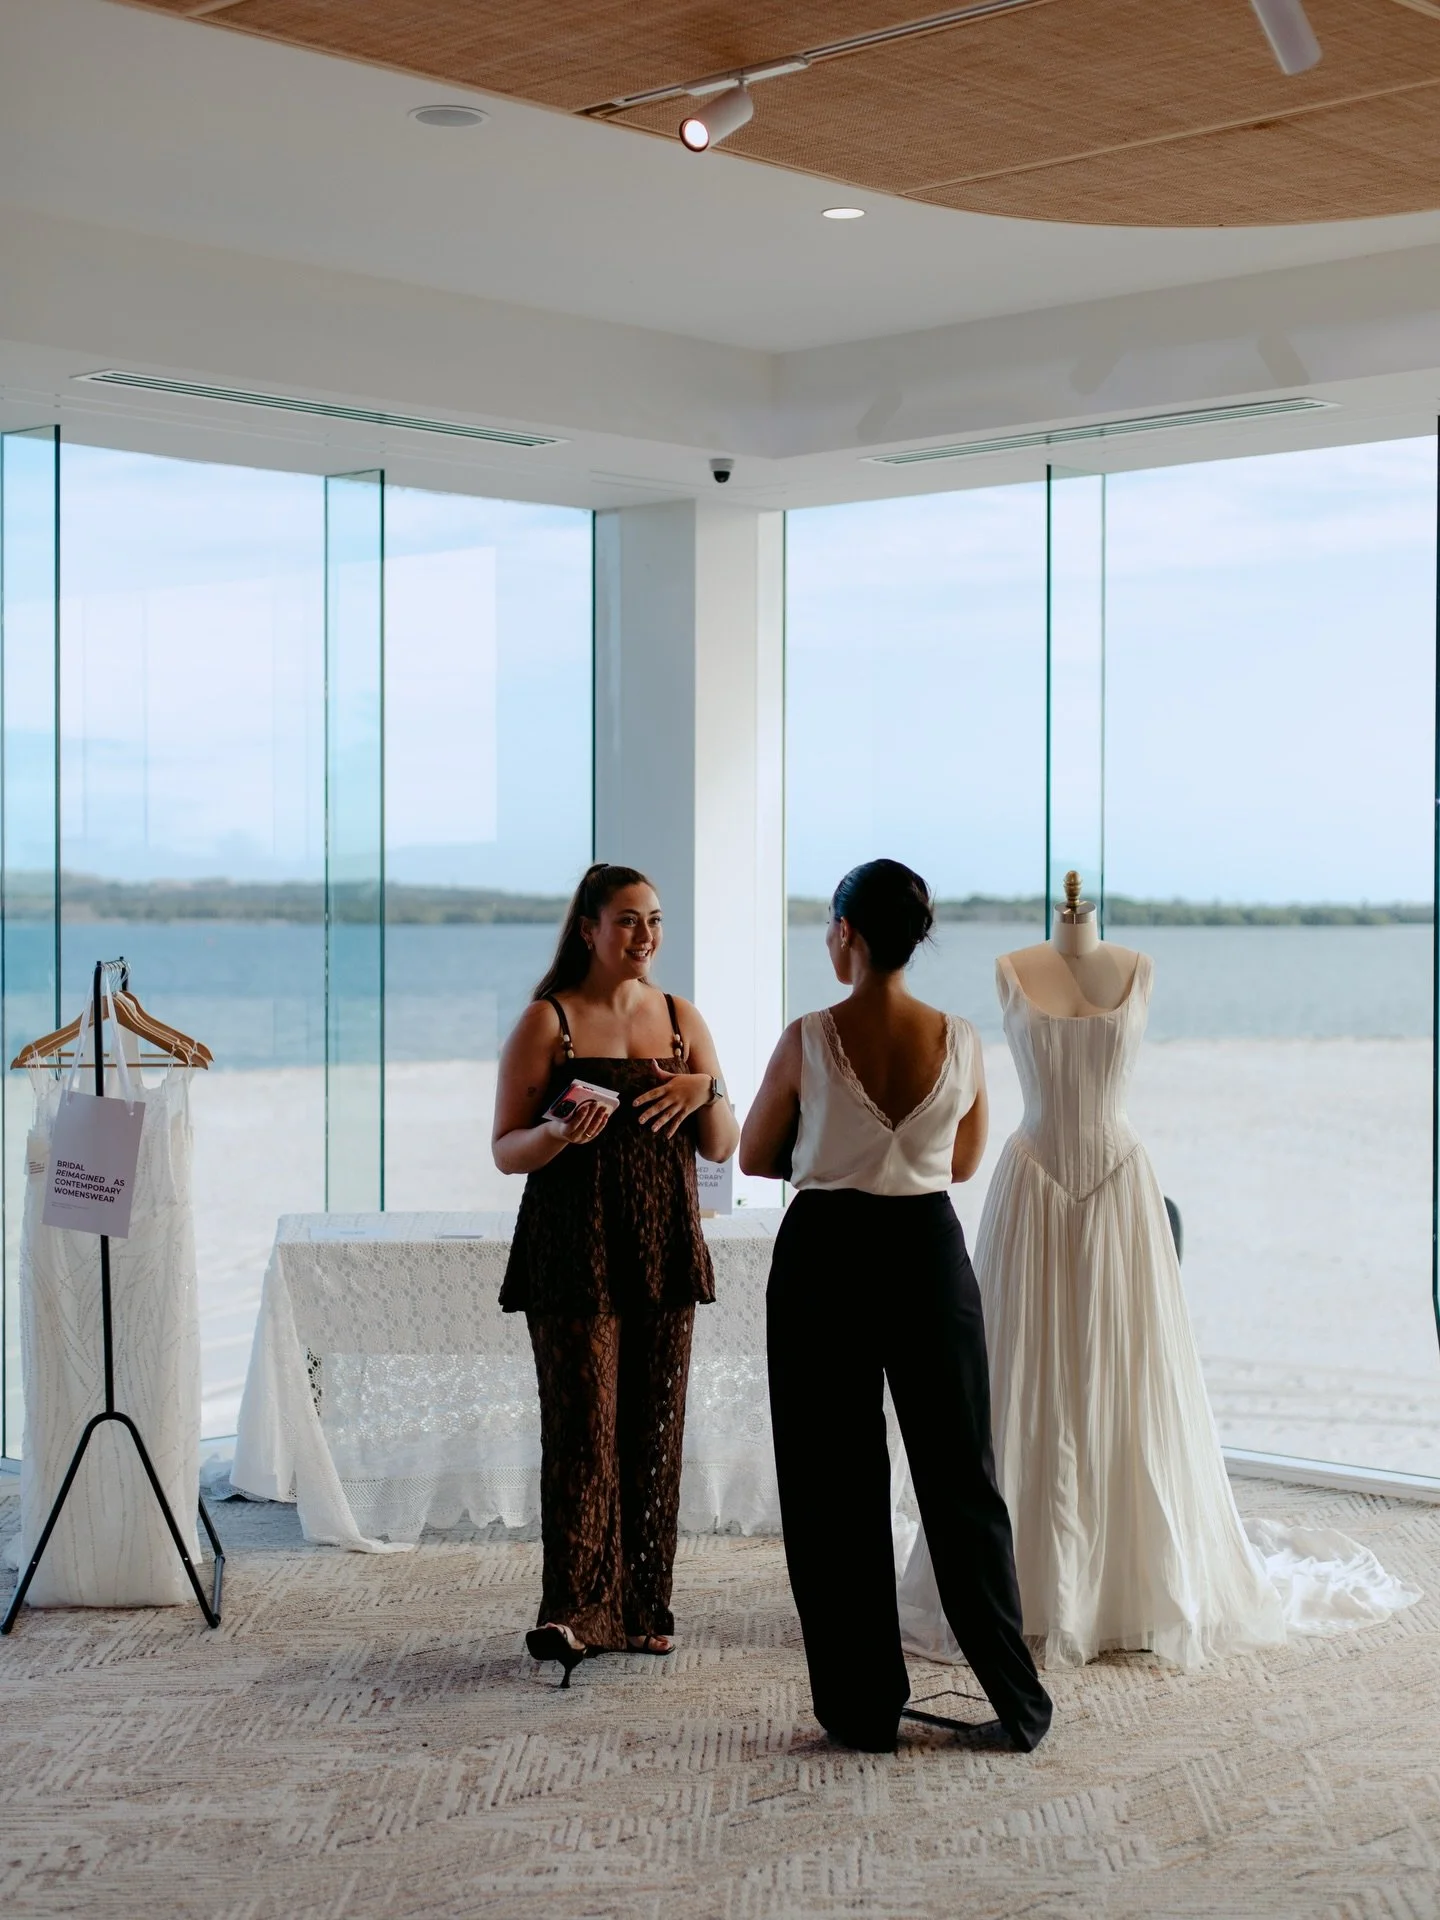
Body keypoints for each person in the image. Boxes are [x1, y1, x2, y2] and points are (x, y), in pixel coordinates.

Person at [740, 859, 1052, 1753]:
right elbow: (959, 1165)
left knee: (833, 1486)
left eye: (831, 929)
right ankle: (1019, 1703)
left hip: (827, 1254)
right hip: (927, 1252)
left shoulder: (807, 1036)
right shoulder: (962, 1039)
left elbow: (760, 1152)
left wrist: (827, 1140)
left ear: (849, 933)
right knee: (962, 1484)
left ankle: (863, 1708)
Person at [494, 862, 739, 1685]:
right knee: (580, 1434)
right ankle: (572, 1610)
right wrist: (558, 1132)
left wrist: (709, 1089)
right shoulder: (548, 1022)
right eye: (629, 921)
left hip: (661, 1244)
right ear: (589, 929)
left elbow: (721, 1145)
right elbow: (505, 1150)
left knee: (653, 1430)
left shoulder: (679, 1019)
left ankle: (642, 1609)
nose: (646, 936)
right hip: (571, 1250)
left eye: (655, 920)